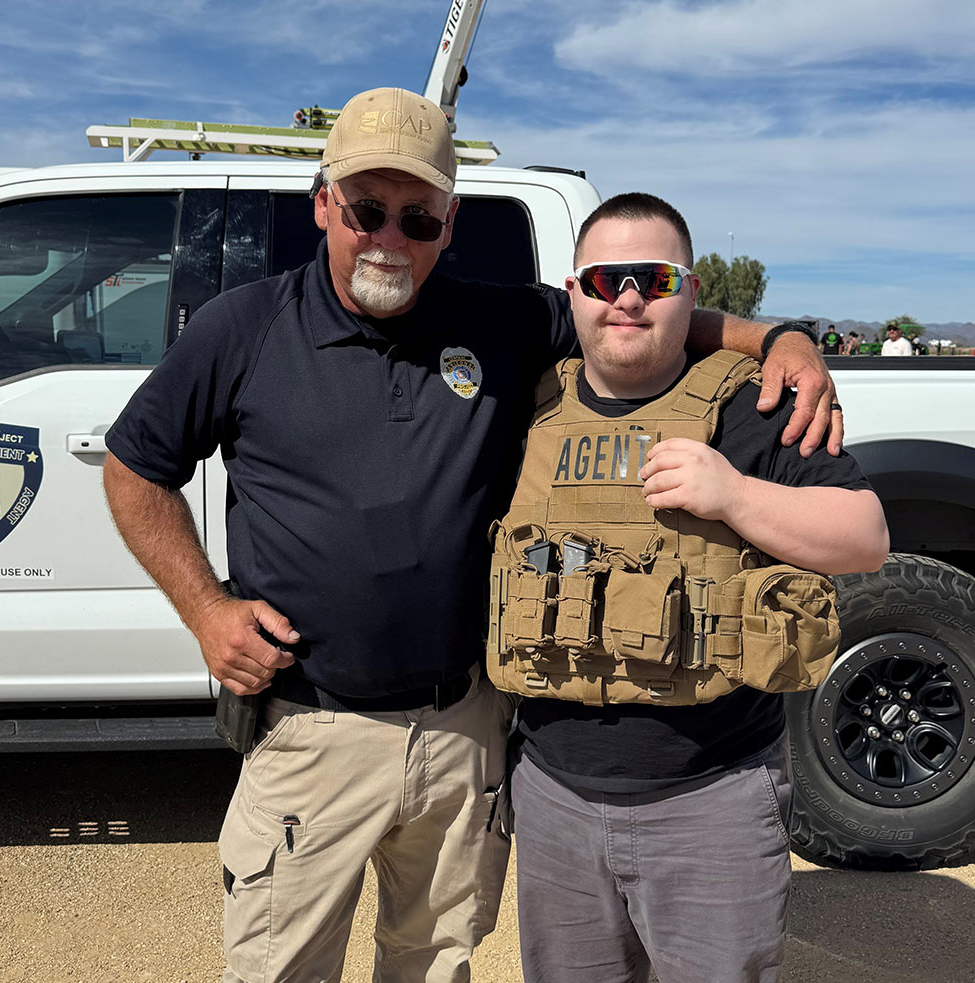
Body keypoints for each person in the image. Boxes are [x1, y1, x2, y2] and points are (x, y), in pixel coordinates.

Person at [100, 88, 839, 983]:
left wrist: (783, 339)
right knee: (279, 968)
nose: (389, 237)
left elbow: (637, 313)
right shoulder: (243, 329)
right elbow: (135, 467)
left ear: (449, 224)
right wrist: (206, 609)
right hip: (312, 728)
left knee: (436, 963)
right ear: (324, 205)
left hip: (467, 732)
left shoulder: (500, 321)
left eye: (418, 217)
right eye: (367, 209)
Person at [492, 193, 889, 983]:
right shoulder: (525, 404)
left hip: (710, 800)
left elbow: (865, 537)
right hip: (553, 798)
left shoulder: (749, 404)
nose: (629, 298)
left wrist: (734, 494)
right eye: (605, 280)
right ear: (573, 292)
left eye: (655, 278)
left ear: (692, 294)